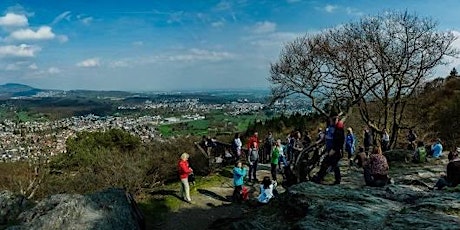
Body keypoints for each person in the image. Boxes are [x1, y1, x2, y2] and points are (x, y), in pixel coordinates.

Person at [312, 113, 345, 185]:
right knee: (333, 165)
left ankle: (319, 178)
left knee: (325, 163)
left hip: (334, 150)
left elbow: (340, 141)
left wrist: (334, 149)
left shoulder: (339, 128)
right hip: (330, 149)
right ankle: (336, 180)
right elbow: (326, 137)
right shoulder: (330, 127)